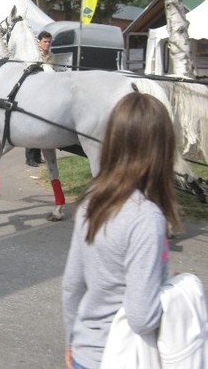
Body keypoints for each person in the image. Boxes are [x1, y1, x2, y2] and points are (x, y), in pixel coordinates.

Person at [62, 92, 181, 369]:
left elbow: (71, 284)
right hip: (123, 356)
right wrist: (172, 293)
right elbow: (142, 317)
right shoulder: (147, 218)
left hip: (84, 353)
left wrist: (71, 340)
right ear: (162, 148)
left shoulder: (91, 200)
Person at [25, 31, 55, 166]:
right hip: (33, 93)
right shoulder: (34, 55)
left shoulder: (52, 56)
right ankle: (30, 157)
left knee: (41, 125)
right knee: (32, 125)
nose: (47, 44)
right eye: (45, 42)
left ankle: (37, 156)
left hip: (46, 93)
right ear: (39, 42)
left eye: (49, 42)